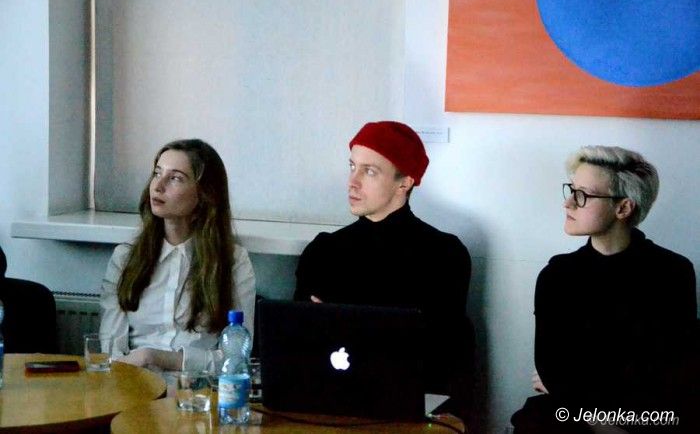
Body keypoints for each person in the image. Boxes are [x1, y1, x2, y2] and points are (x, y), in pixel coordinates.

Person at [294, 121, 474, 419]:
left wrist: (343, 328)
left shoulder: (443, 255)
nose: (352, 182)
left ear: (405, 183)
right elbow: (298, 345)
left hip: (405, 408)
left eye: (370, 171)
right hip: (327, 401)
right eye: (352, 166)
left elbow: (439, 355)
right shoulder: (324, 251)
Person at [512, 146, 698, 434]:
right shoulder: (558, 275)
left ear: (623, 208)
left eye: (583, 195)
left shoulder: (672, 272)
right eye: (571, 190)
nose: (568, 204)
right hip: (570, 415)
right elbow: (552, 369)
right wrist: (600, 423)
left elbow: (673, 374)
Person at [100, 139, 255, 376]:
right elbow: (111, 350)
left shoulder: (233, 261)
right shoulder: (125, 257)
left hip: (198, 388)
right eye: (157, 173)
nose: (158, 186)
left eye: (175, 178)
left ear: (204, 194)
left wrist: (156, 357)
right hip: (135, 383)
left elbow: (236, 358)